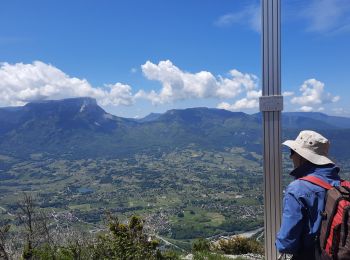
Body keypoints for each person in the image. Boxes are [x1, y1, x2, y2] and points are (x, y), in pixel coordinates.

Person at [275, 130, 341, 260]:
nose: (290, 157)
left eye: (292, 152)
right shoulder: (341, 185)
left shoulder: (298, 189)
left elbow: (287, 243)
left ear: (302, 156)